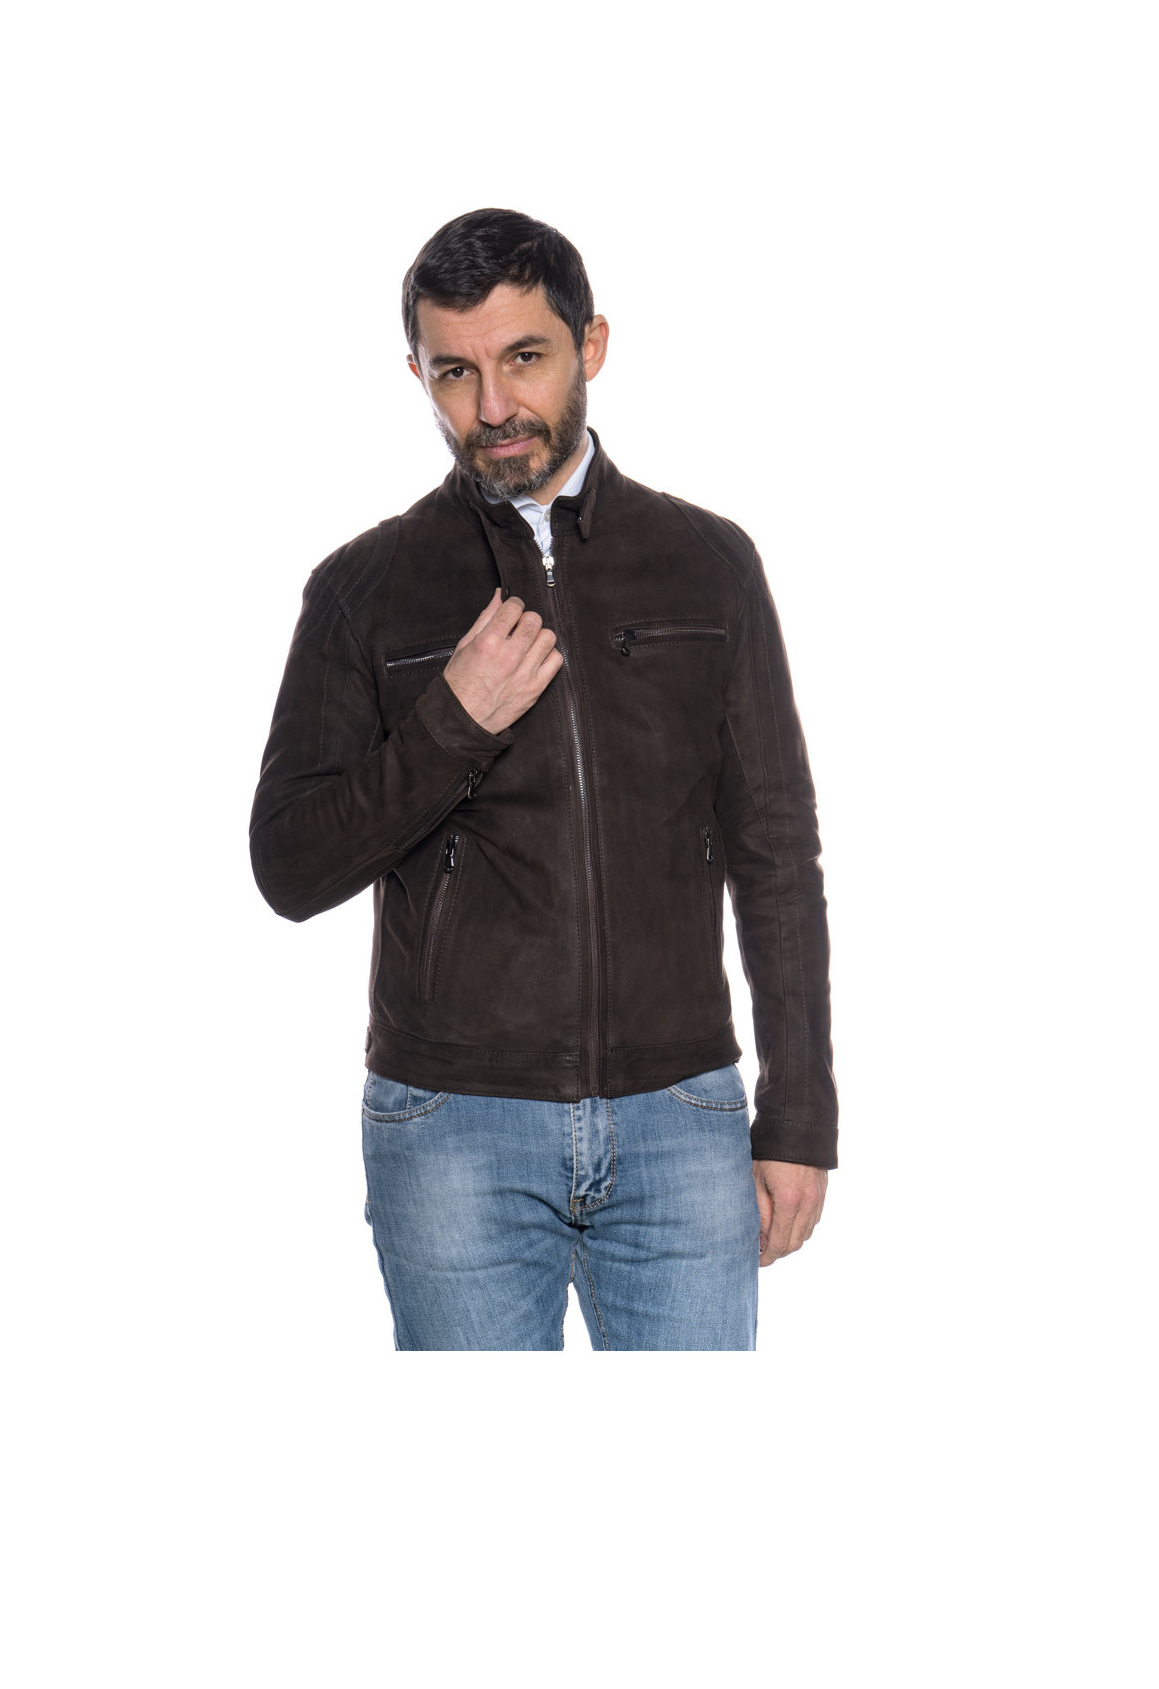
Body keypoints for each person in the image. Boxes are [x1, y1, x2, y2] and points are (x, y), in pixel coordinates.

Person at [249, 208, 836, 1350]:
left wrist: (798, 1115)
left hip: (681, 1115)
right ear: (418, 373)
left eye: (525, 357)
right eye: (454, 372)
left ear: (591, 345)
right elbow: (290, 865)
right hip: (451, 1126)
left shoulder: (708, 565)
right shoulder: (365, 589)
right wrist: (451, 725)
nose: (493, 407)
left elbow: (776, 850)